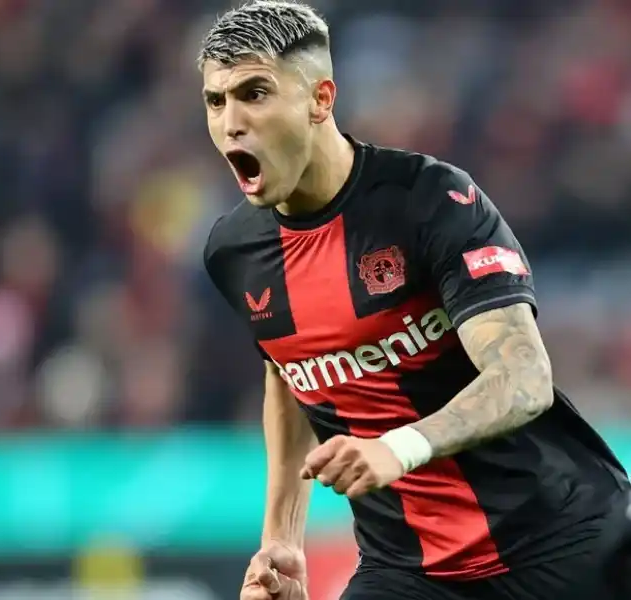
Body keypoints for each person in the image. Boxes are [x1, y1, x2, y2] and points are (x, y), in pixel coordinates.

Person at [197, 2, 631, 599]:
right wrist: (282, 539)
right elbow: (288, 369)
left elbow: (523, 377)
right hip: (409, 573)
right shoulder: (233, 251)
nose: (231, 123)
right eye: (215, 101)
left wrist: (399, 449)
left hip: (565, 540)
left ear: (321, 99)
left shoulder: (430, 201)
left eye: (254, 93)